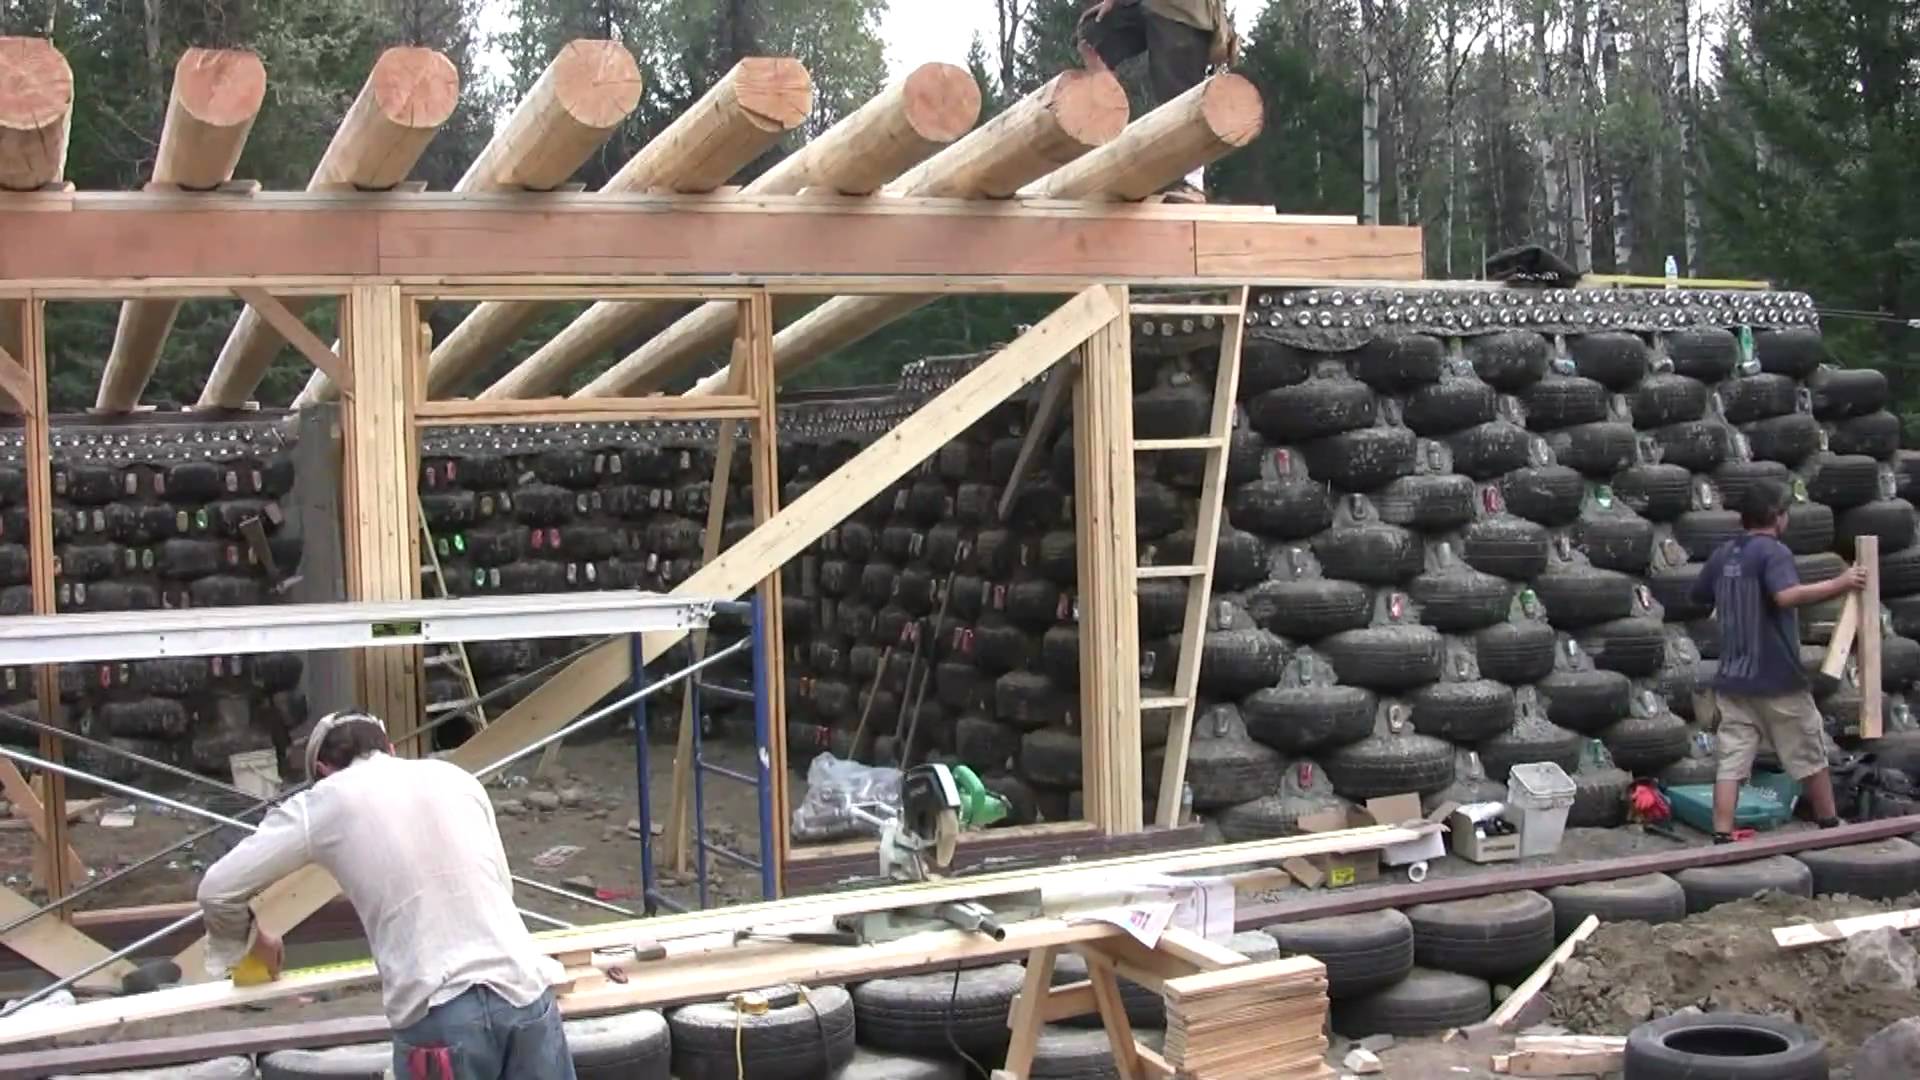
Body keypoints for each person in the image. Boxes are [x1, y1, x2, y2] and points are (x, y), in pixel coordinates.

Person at [197, 711, 574, 1080]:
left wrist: (252, 943)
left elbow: (216, 890)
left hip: (439, 1012)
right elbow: (501, 888)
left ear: (323, 772)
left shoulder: (325, 801)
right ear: (390, 749)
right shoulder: (456, 778)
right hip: (527, 997)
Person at [1689, 481, 1866, 844]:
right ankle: (1829, 823)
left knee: (1732, 761)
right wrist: (1842, 581)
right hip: (1778, 677)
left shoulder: (1724, 553)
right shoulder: (1774, 552)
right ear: (1777, 517)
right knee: (1808, 751)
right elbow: (1786, 596)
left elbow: (1699, 595)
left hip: (1734, 678)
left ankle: (1721, 833)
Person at [1077, 0, 1237, 203]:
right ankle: (1106, 137)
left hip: (1186, 11)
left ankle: (1191, 182)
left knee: (1177, 92)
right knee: (1096, 30)